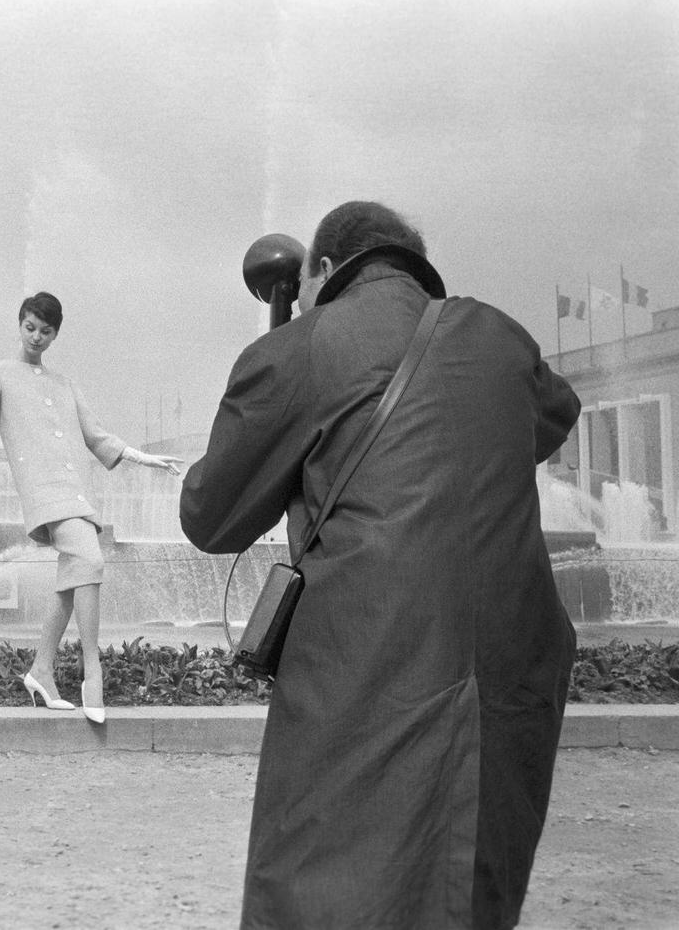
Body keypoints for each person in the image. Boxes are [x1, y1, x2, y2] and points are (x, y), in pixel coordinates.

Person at [180, 202, 580, 929]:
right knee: (468, 892)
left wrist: (284, 363)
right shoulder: (501, 338)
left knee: (328, 888)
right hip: (507, 678)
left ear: (327, 269)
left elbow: (212, 516)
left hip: (367, 668)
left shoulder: (301, 347)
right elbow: (555, 413)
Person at [0, 292, 182, 723]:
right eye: (30, 327)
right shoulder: (0, 375)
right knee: (89, 556)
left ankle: (42, 671)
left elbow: (97, 436)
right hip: (44, 493)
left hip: (77, 490)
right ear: (19, 324)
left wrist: (144, 458)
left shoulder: (65, 385)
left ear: (55, 334)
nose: (37, 337)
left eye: (46, 332)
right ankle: (92, 670)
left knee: (72, 580)